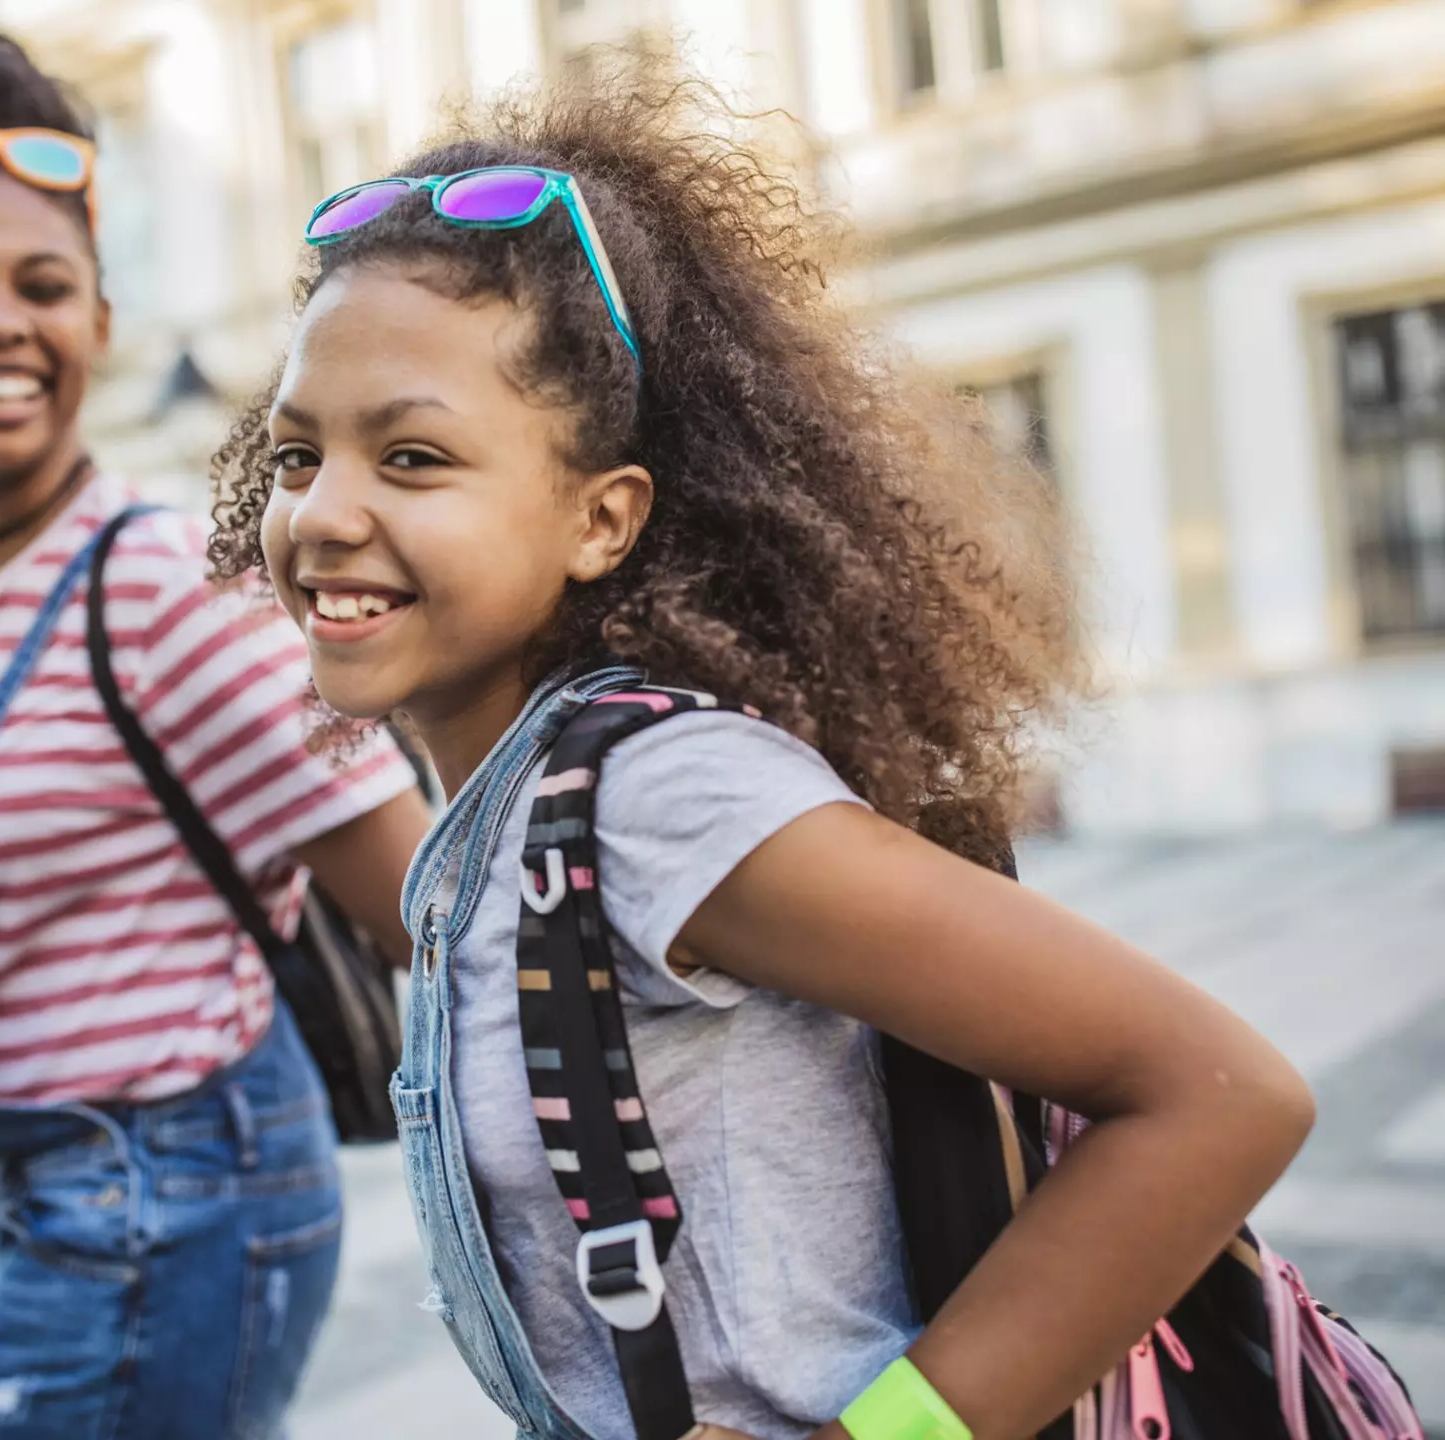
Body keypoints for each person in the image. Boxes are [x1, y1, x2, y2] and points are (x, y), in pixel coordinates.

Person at [210, 68, 1318, 1440]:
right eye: (298, 454)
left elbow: (1213, 1097)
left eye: (415, 458)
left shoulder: (652, 797)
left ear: (599, 521)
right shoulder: (499, 812)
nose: (321, 514)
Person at [0, 35, 429, 1440]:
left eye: (41, 286)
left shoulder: (160, 584)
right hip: (67, 1202)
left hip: (176, 1210)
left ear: (98, 323)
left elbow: (440, 911)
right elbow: (57, 972)